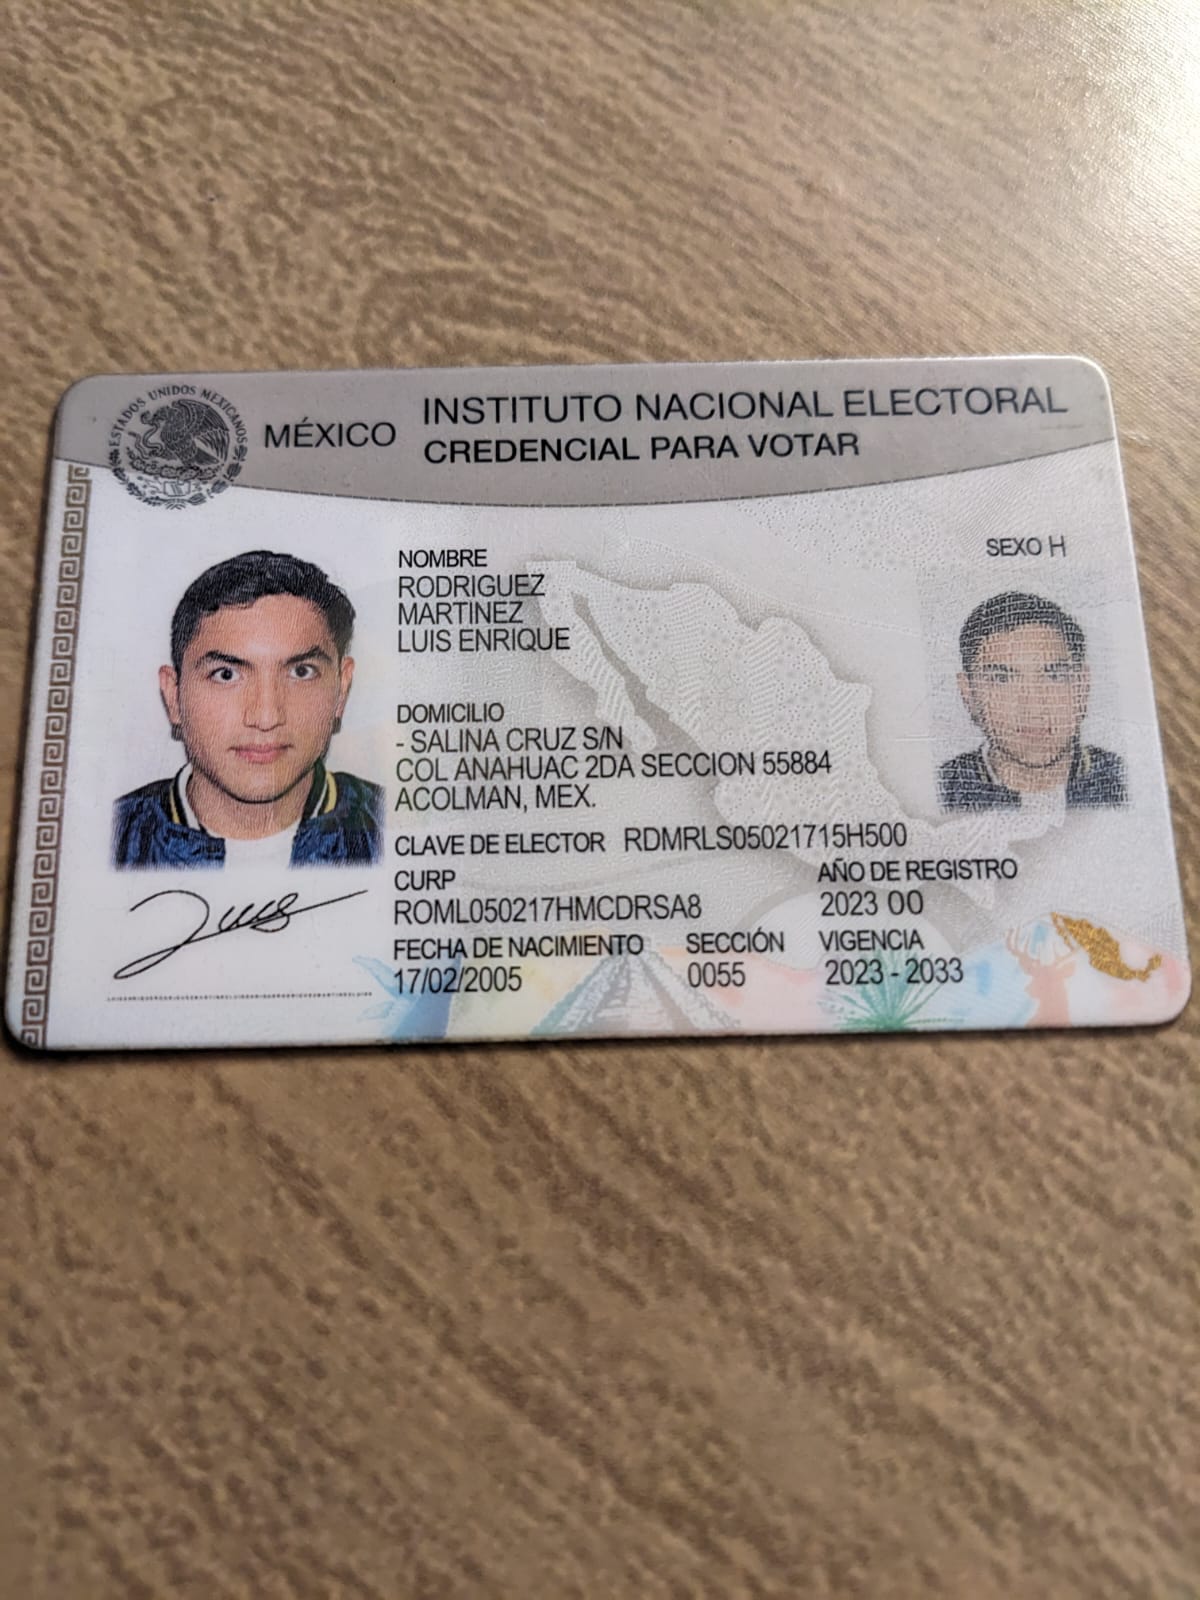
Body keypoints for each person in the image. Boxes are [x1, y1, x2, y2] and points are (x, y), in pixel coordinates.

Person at [113, 551, 382, 866]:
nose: (266, 717)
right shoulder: (105, 838)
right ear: (174, 696)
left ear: (342, 688)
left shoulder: (396, 829)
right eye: (226, 675)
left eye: (301, 672)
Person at [938, 591, 1126, 811]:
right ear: (969, 694)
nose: (1033, 708)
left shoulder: (1121, 778)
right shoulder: (944, 787)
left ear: (1082, 686)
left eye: (1054, 676)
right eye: (1001, 679)